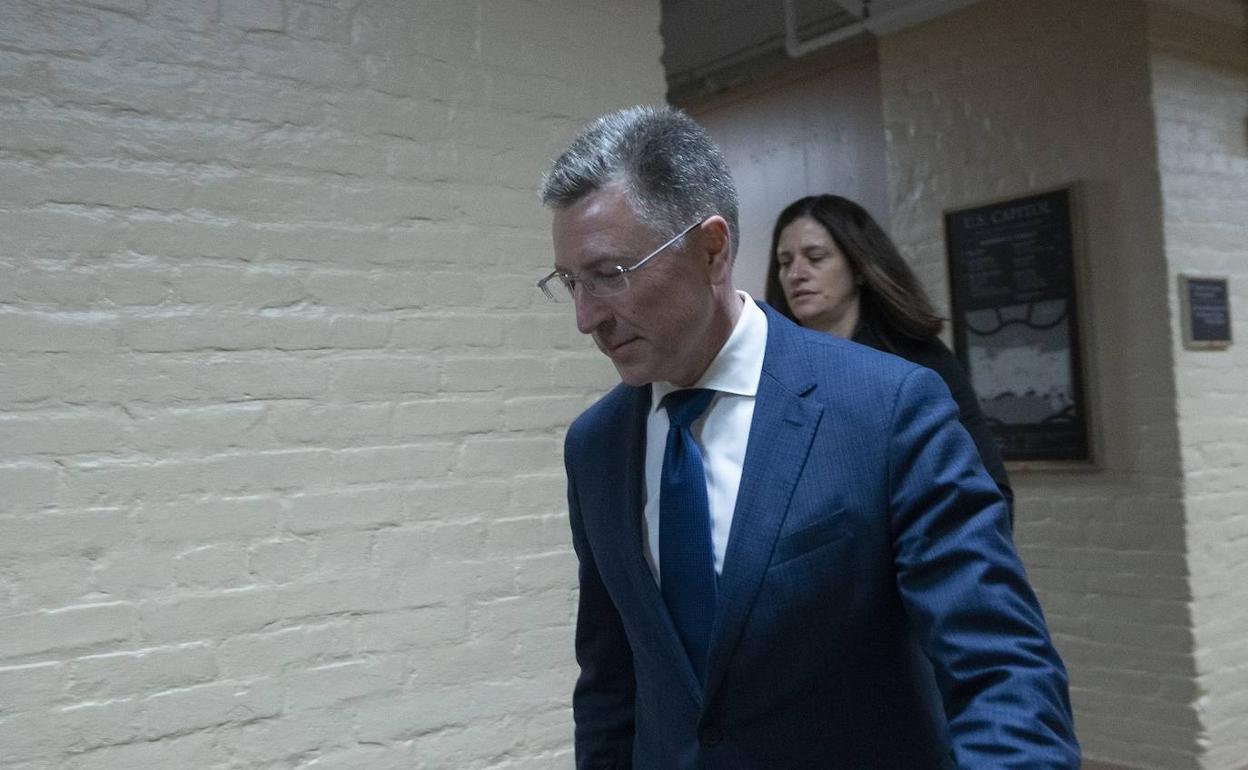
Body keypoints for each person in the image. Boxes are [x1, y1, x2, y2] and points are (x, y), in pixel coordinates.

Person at [540, 104, 1078, 768]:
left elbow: (1002, 672)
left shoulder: (885, 408)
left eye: (610, 275)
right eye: (571, 282)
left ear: (711, 251)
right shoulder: (595, 446)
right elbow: (610, 682)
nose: (586, 317)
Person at [764, 194, 1015, 525]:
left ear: (858, 268)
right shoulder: (771, 369)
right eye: (785, 262)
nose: (797, 273)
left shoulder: (918, 363)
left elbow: (987, 491)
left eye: (816, 257)